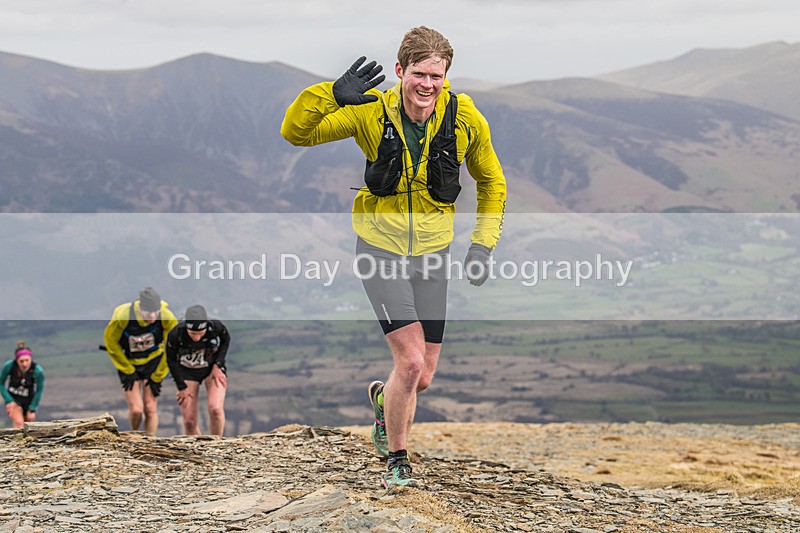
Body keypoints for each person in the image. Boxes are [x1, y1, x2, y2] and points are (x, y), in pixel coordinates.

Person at [281, 26, 506, 489]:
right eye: (419, 74)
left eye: (437, 76)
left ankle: (386, 402)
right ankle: (398, 460)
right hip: (379, 250)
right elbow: (296, 133)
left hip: (432, 253)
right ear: (400, 71)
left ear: (446, 77)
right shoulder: (368, 111)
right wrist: (330, 95)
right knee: (409, 363)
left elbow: (492, 182)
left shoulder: (464, 118)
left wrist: (483, 243)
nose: (428, 85)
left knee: (422, 377)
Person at [103, 287, 178, 434]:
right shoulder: (124, 315)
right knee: (137, 409)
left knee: (150, 408)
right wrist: (127, 370)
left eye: (155, 312)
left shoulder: (166, 316)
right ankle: (134, 435)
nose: (152, 316)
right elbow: (111, 342)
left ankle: (151, 442)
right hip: (129, 362)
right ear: (140, 308)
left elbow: (172, 347)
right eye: (148, 312)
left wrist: (158, 376)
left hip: (153, 362)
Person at [165, 305, 230, 437]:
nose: (197, 338)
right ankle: (198, 449)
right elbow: (171, 360)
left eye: (201, 333)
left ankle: (216, 444)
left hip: (211, 368)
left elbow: (225, 340)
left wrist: (218, 364)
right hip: (187, 372)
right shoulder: (176, 333)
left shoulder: (215, 327)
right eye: (193, 334)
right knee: (189, 421)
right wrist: (181, 386)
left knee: (216, 409)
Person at [1, 341, 45, 428]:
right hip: (14, 399)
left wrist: (33, 407)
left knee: (28, 425)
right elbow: (0, 383)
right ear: (16, 360)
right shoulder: (9, 366)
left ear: (31, 359)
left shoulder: (37, 370)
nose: (24, 364)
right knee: (19, 423)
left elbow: (39, 390)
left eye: (27, 360)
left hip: (29, 401)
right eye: (21, 361)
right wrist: (9, 400)